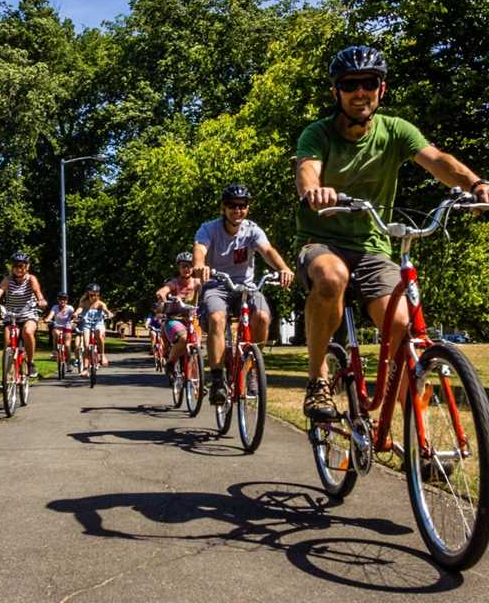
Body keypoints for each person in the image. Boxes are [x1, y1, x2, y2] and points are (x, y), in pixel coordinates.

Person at [295, 45, 489, 421]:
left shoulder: (396, 130)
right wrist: (314, 192)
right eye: (350, 84)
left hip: (373, 246)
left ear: (381, 89)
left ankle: (418, 440)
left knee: (402, 324)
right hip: (323, 243)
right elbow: (307, 170)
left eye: (368, 83)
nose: (359, 92)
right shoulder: (317, 133)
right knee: (331, 277)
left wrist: (476, 184)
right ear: (336, 92)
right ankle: (317, 378)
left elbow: (437, 161)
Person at [193, 184, 295, 405]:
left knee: (263, 317)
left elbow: (267, 250)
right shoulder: (209, 229)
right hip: (217, 285)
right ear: (223, 207)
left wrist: (283, 269)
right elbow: (200, 249)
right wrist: (200, 265)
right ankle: (218, 380)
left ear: (247, 208)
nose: (237, 210)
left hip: (245, 287)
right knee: (216, 319)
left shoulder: (252, 230)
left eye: (242, 206)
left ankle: (251, 366)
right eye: (232, 206)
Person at [0, 251, 47, 378]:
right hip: (11, 316)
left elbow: (37, 292)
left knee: (27, 332)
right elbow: (0, 290)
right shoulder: (8, 279)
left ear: (27, 267)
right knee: (8, 345)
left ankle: (30, 362)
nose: (18, 269)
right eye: (16, 266)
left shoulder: (31, 279)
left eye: (21, 266)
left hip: (28, 314)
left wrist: (41, 301)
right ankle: (5, 378)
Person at [155, 252, 203, 376]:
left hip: (193, 319)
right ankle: (170, 363)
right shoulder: (174, 283)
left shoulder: (197, 283)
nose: (186, 269)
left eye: (189, 266)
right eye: (183, 266)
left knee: (195, 344)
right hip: (174, 319)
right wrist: (162, 294)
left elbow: (206, 288)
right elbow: (164, 290)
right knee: (183, 338)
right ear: (179, 267)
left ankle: (196, 381)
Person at [75, 283, 114, 375]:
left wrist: (109, 313)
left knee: (99, 334)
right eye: (92, 295)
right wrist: (76, 313)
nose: (94, 297)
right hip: (87, 324)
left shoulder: (100, 303)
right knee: (86, 345)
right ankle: (85, 368)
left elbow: (105, 309)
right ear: (88, 294)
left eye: (96, 294)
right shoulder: (84, 302)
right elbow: (79, 309)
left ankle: (102, 355)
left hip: (98, 324)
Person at [43, 291, 74, 359]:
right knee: (55, 333)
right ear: (58, 300)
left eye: (64, 299)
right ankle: (54, 350)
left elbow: (74, 316)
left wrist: (74, 320)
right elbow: (51, 315)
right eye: (60, 299)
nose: (62, 301)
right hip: (57, 326)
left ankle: (68, 364)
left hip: (67, 327)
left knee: (67, 345)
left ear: (67, 300)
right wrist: (47, 319)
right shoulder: (55, 307)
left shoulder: (70, 308)